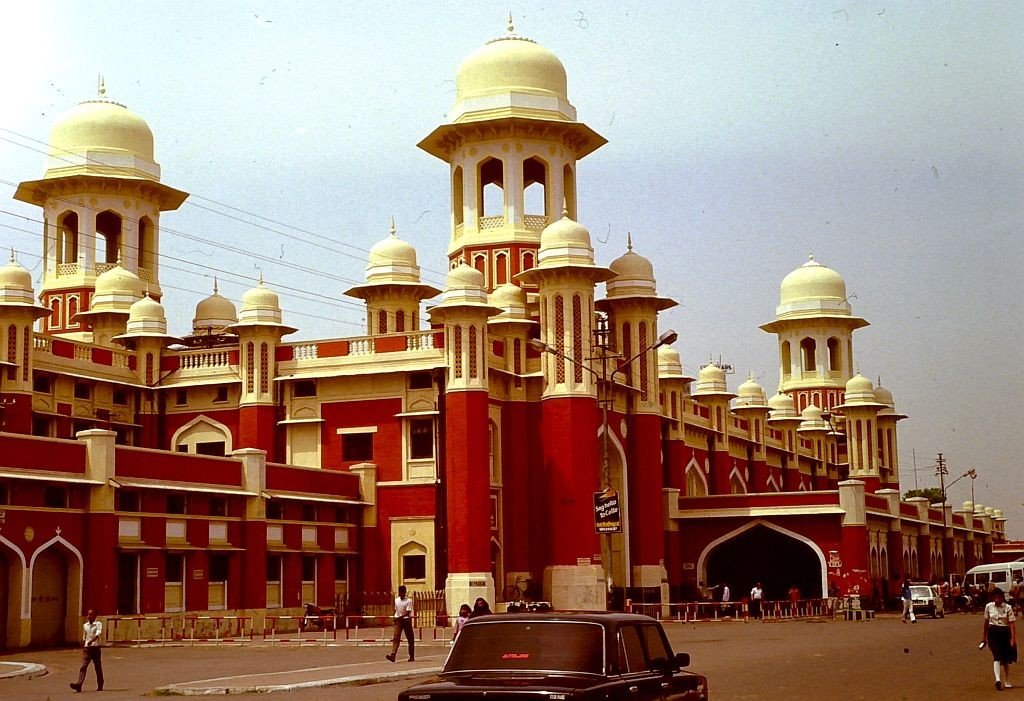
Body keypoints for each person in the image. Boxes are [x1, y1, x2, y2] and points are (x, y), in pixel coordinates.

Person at [982, 587, 1017, 690]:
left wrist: (1013, 638)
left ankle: (1006, 680)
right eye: (995, 598)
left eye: (998, 598)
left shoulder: (1008, 608)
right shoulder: (989, 606)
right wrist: (984, 637)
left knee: (1006, 659)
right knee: (996, 655)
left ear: (1002, 597)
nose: (996, 600)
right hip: (993, 633)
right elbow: (986, 622)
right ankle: (998, 680)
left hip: (1005, 633)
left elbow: (1011, 623)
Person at [70, 609, 103, 693]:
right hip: (87, 649)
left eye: (91, 615)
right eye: (88, 615)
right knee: (83, 666)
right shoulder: (85, 625)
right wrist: (84, 643)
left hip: (95, 648)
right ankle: (79, 684)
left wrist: (92, 641)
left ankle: (100, 684)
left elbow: (98, 634)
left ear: (95, 616)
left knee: (97, 667)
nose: (89, 616)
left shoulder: (98, 624)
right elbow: (84, 636)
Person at [385, 585, 415, 663]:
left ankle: (411, 656)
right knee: (396, 637)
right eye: (400, 592)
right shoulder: (396, 600)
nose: (401, 594)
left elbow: (408, 612)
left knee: (410, 639)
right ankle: (393, 654)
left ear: (405, 593)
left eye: (402, 592)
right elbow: (396, 610)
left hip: (406, 620)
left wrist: (400, 617)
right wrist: (395, 618)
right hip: (398, 621)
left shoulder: (408, 601)